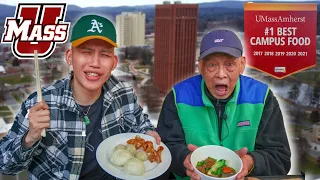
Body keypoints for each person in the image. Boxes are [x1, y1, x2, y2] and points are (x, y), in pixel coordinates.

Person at [0, 14, 160, 180]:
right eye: (86, 52)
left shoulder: (124, 93)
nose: (95, 63)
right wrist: (29, 138)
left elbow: (141, 123)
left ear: (114, 62)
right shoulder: (40, 103)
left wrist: (147, 131)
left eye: (104, 54)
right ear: (70, 57)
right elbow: (4, 165)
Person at [156, 29, 291, 180]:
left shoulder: (262, 97)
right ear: (200, 67)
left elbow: (280, 157)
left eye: (230, 64)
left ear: (242, 65)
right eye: (212, 65)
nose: (221, 74)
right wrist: (184, 159)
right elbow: (164, 148)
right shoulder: (178, 96)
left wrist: (250, 162)